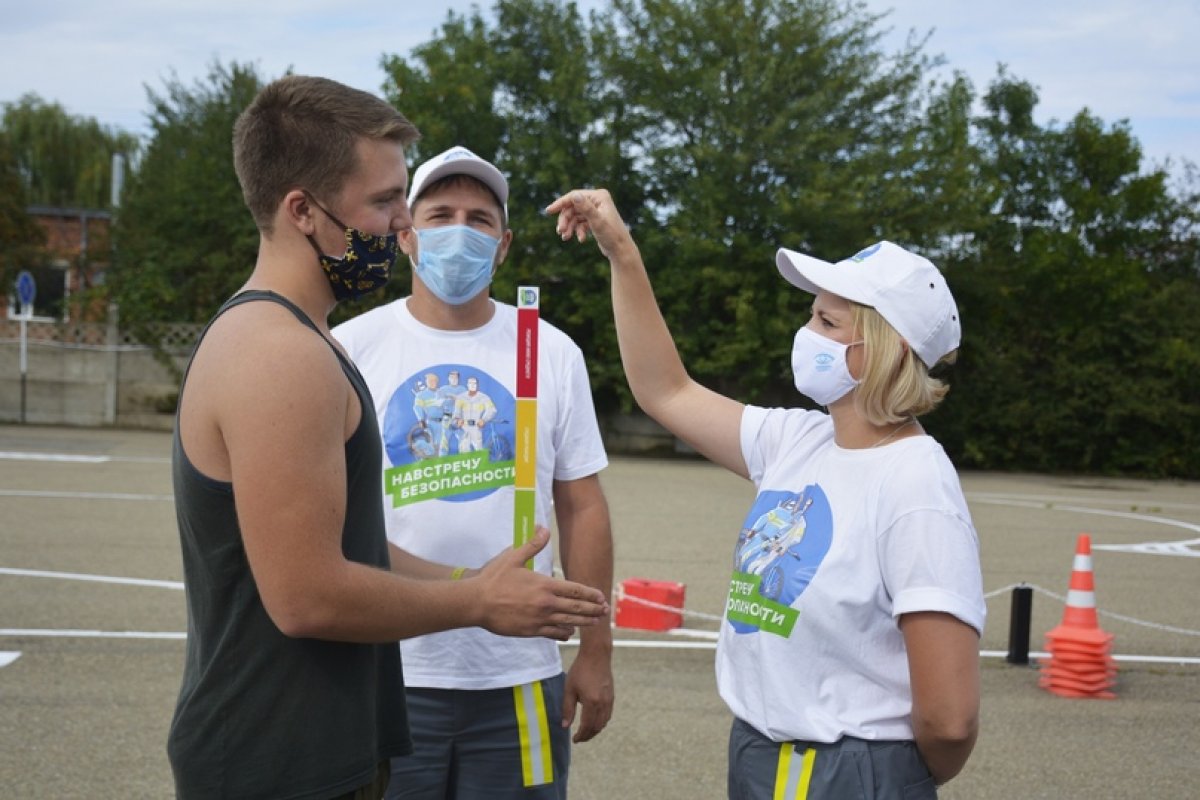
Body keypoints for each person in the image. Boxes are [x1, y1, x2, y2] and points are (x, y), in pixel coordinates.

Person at [167, 78, 608, 800]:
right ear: (302, 211)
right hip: (277, 758)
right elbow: (307, 597)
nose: (402, 222)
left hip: (319, 741)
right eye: (384, 201)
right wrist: (476, 602)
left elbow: (352, 543)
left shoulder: (300, 340)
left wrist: (483, 588)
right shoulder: (281, 354)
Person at [547, 189, 985, 799]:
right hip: (761, 752)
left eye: (827, 323)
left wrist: (886, 780)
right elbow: (665, 390)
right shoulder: (800, 439)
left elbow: (949, 719)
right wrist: (621, 251)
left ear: (888, 350)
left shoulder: (915, 482)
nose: (806, 333)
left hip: (852, 768)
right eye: (812, 316)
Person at [333, 146, 615, 800]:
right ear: (406, 234)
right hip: (388, 671)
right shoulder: (349, 349)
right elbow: (336, 522)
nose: (460, 232)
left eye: (480, 219)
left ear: (503, 246)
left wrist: (596, 650)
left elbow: (583, 507)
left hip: (520, 677)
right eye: (440, 215)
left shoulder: (551, 350)